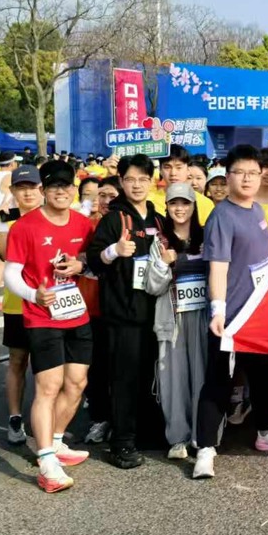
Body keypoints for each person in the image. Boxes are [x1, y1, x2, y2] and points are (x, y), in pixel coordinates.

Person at [194, 145, 268, 480]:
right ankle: (205, 449)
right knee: (219, 382)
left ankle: (266, 433)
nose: (248, 179)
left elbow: (262, 246)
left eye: (253, 173)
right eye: (240, 173)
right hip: (231, 317)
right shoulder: (221, 216)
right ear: (228, 177)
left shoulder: (255, 210)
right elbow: (218, 267)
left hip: (257, 314)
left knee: (262, 376)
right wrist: (218, 310)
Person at [3, 160, 94, 493]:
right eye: (53, 185)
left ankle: (55, 442)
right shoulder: (24, 227)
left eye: (66, 185)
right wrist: (34, 295)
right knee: (49, 386)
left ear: (74, 189)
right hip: (42, 317)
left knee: (77, 382)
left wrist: (80, 265)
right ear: (43, 189)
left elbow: (90, 261)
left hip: (77, 314)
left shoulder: (84, 224)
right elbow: (11, 273)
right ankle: (45, 462)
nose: (60, 191)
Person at [86, 154, 168, 469]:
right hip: (122, 314)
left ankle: (144, 433)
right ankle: (121, 442)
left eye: (143, 179)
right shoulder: (113, 219)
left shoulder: (157, 219)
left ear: (152, 182)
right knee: (124, 379)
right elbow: (94, 261)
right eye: (130, 179)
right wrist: (114, 251)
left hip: (153, 311)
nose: (137, 185)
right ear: (121, 181)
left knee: (148, 375)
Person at [145, 182, 209, 461]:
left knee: (203, 377)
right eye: (174, 203)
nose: (180, 208)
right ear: (167, 207)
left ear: (194, 206)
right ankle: (177, 437)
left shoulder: (208, 236)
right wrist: (163, 263)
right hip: (172, 319)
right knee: (173, 378)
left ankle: (202, 435)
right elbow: (152, 286)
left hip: (204, 317)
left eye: (185, 203)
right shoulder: (159, 242)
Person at [0, 164, 45, 444]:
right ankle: (15, 417)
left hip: (49, 303)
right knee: (17, 360)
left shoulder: (53, 214)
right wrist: (3, 221)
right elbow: (4, 254)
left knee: (46, 366)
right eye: (21, 188)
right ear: (13, 190)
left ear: (41, 189)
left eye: (32, 187)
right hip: (17, 303)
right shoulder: (6, 219)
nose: (27, 193)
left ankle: (43, 418)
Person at [81, 177, 120, 444]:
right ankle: (99, 418)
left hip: (119, 308)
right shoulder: (85, 225)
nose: (105, 201)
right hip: (89, 307)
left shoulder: (126, 224)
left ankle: (120, 419)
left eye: (111, 196)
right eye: (101, 195)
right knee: (95, 368)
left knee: (119, 368)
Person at [151, 145, 214, 225]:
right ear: (160, 170)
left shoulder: (205, 203)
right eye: (167, 167)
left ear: (188, 170)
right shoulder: (150, 201)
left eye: (179, 167)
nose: (173, 173)